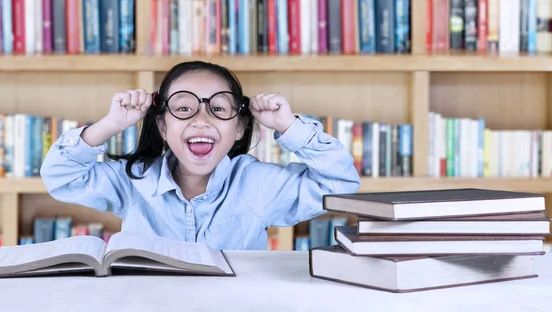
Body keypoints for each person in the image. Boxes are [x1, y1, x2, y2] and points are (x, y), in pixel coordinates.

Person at [40, 61, 361, 250]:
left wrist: (288, 126)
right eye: (183, 107)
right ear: (163, 127)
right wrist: (111, 124)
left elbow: (340, 183)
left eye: (218, 108)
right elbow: (61, 177)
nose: (201, 119)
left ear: (239, 128)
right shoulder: (134, 180)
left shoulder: (257, 184)